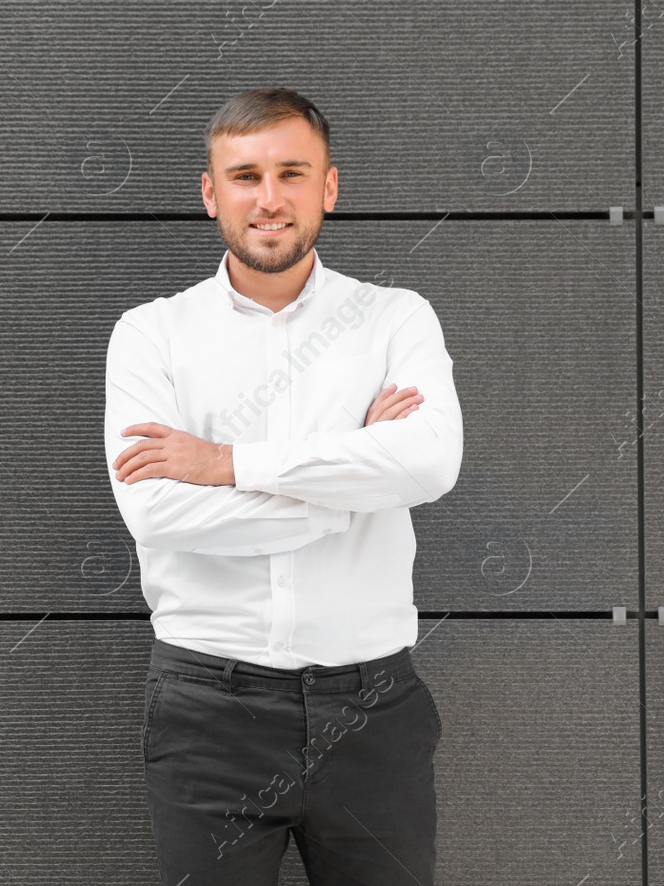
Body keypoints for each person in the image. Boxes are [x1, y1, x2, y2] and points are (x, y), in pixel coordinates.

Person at [103, 87, 463, 885]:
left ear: (328, 187)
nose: (269, 198)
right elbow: (158, 511)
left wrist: (226, 463)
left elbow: (432, 462)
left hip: (374, 710)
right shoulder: (150, 334)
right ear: (211, 193)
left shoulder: (396, 319)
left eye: (292, 172)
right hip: (210, 712)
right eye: (245, 175)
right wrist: (355, 475)